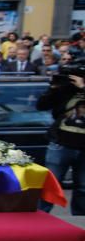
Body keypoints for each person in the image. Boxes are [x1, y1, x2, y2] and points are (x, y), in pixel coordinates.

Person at [36, 71, 85, 215]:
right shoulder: (65, 89)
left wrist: (83, 87)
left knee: (83, 187)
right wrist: (53, 88)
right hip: (61, 143)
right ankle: (40, 218)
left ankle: (80, 223)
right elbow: (41, 106)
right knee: (51, 185)